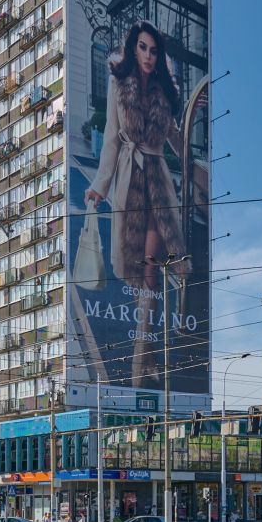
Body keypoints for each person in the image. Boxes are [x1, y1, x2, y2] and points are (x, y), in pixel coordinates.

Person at [84, 20, 194, 387]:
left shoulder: (167, 91)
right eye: (143, 48)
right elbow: (113, 141)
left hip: (158, 185)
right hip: (129, 183)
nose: (148, 55)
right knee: (138, 276)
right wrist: (99, 186)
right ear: (134, 50)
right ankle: (147, 359)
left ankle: (136, 366)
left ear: (159, 55)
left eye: (154, 50)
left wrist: (193, 164)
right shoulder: (120, 84)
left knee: (150, 274)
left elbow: (175, 139)